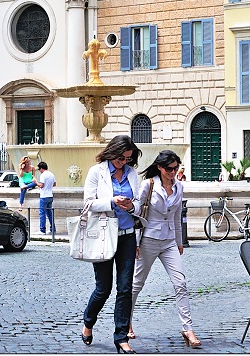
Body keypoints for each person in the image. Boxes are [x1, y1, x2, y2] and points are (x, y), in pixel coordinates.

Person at [130, 150, 201, 348]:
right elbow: (137, 212)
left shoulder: (179, 186)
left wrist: (179, 241)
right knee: (137, 283)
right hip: (149, 239)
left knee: (181, 283)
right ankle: (126, 322)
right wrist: (136, 243)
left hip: (169, 240)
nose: (173, 172)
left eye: (176, 168)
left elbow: (177, 216)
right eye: (169, 169)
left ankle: (188, 329)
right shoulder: (148, 184)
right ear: (160, 167)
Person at [80, 135, 142, 354]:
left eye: (127, 159)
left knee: (125, 288)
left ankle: (121, 337)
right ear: (112, 152)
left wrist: (130, 207)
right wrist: (111, 202)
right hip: (104, 235)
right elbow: (87, 203)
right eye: (120, 157)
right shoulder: (96, 172)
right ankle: (88, 322)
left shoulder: (132, 174)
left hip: (126, 236)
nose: (123, 162)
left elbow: (139, 206)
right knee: (103, 288)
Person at [36, 161, 56, 235]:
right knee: (50, 213)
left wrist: (35, 182)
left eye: (39, 169)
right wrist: (49, 186)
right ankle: (52, 229)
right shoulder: (51, 174)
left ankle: (42, 230)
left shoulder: (43, 175)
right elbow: (54, 184)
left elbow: (41, 185)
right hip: (50, 195)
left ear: (41, 168)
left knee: (42, 213)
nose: (39, 171)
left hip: (44, 196)